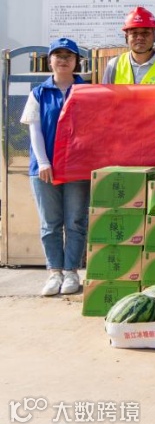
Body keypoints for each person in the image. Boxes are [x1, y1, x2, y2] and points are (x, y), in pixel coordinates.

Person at [21, 38, 90, 296]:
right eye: (58, 55)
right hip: (44, 169)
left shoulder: (87, 91)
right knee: (50, 223)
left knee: (75, 221)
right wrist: (43, 161)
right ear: (49, 61)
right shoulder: (39, 93)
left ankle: (71, 271)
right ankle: (54, 272)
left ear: (76, 61)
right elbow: (35, 130)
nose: (63, 60)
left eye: (68, 56)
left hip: (77, 168)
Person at [101, 6, 155, 84]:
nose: (140, 37)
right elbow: (106, 92)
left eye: (145, 33)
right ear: (126, 37)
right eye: (134, 33)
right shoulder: (114, 66)